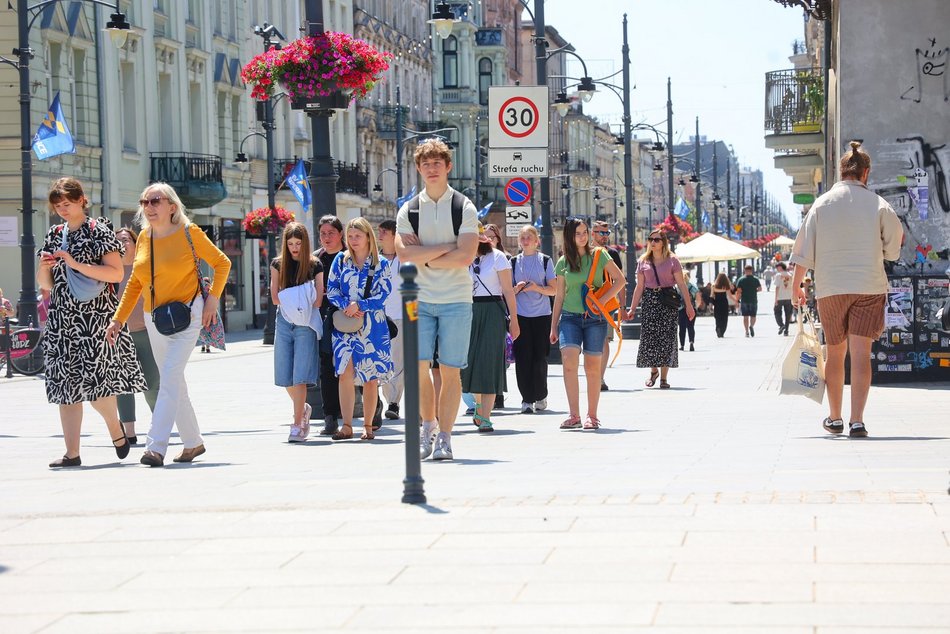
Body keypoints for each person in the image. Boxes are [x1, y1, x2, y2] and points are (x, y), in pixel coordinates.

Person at [107, 182, 231, 467]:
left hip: (188, 315)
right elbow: (136, 284)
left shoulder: (190, 233)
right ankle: (193, 443)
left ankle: (155, 447)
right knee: (175, 382)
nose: (148, 207)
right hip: (155, 318)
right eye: (144, 202)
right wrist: (118, 319)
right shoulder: (144, 239)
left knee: (168, 379)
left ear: (172, 206)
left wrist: (213, 300)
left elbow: (222, 263)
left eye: (155, 201)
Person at [790, 140, 902, 438]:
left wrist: (796, 285)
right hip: (868, 286)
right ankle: (857, 421)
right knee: (861, 355)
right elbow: (894, 247)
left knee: (835, 354)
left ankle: (835, 417)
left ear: (841, 172)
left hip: (831, 288)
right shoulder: (879, 203)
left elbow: (803, 249)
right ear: (866, 173)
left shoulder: (822, 204)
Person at [38, 178, 146, 468]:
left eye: (67, 204)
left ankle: (115, 427)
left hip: (94, 321)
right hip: (62, 321)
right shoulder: (54, 233)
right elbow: (45, 285)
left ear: (81, 200)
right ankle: (72, 453)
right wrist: (45, 267)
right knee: (66, 389)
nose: (62, 209)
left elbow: (115, 274)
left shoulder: (98, 231)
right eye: (58, 205)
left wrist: (73, 263)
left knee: (98, 391)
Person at [395, 138, 479, 461]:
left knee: (449, 370)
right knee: (417, 368)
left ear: (448, 167)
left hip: (457, 299)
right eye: (426, 164)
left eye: (437, 163)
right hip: (419, 297)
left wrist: (425, 256)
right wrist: (447, 248)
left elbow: (467, 255)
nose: (431, 169)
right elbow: (404, 253)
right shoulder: (409, 210)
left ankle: (445, 436)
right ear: (419, 168)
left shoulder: (463, 207)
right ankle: (427, 427)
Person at [551, 217, 623, 430]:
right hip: (570, 318)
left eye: (584, 232)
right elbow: (560, 296)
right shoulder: (563, 262)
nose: (582, 237)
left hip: (595, 319)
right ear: (569, 236)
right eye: (577, 233)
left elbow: (620, 281)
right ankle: (574, 415)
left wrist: (601, 301)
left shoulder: (599, 256)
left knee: (592, 367)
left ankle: (592, 415)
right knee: (569, 361)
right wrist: (553, 326)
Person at [326, 217, 393, 441]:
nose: (353, 240)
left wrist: (360, 305)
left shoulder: (380, 263)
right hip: (345, 324)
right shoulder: (340, 260)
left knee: (370, 376)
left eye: (358, 236)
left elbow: (384, 293)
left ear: (367, 237)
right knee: (344, 373)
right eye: (350, 236)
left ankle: (367, 425)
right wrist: (346, 305)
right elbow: (332, 288)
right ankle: (346, 426)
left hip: (372, 324)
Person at [463, 224, 519, 432]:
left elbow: (508, 291)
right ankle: (477, 404)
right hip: (467, 310)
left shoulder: (498, 257)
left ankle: (485, 416)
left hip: (492, 311)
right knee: (466, 362)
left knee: (488, 363)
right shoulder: (462, 258)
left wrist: (514, 320)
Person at [271, 222, 323, 443]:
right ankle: (303, 408)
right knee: (284, 374)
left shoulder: (314, 265)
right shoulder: (278, 264)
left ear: (305, 243)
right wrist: (298, 299)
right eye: (290, 243)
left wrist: (295, 300)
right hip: (283, 320)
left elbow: (319, 297)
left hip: (306, 322)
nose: (294, 248)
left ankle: (297, 423)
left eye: (298, 244)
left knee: (300, 374)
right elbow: (274, 297)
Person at [626, 229, 695, 389]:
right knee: (650, 339)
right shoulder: (643, 261)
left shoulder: (672, 261)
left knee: (667, 339)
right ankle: (653, 371)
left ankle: (663, 378)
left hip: (667, 301)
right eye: (651, 239)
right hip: (650, 301)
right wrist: (632, 308)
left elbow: (681, 284)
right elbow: (639, 287)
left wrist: (689, 306)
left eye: (656, 239)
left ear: (663, 242)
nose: (653, 242)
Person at [114, 227, 160, 445]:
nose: (122, 244)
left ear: (134, 243)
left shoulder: (143, 268)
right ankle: (129, 432)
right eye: (117, 241)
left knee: (153, 383)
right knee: (122, 386)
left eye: (125, 240)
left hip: (146, 333)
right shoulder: (110, 272)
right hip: (120, 336)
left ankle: (160, 425)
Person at [511, 225, 556, 414]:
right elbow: (507, 292)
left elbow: (554, 290)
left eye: (529, 237)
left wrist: (537, 288)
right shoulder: (512, 262)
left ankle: (540, 395)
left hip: (542, 315)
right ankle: (526, 399)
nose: (525, 240)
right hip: (520, 315)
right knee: (523, 359)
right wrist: (517, 289)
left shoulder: (545, 261)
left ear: (537, 240)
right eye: (522, 237)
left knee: (539, 358)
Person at [315, 215, 346, 435]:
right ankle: (330, 416)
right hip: (323, 315)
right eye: (323, 233)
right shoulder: (316, 259)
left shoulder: (349, 257)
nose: (327, 238)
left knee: (353, 363)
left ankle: (370, 408)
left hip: (348, 314)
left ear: (340, 234)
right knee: (327, 364)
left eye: (331, 233)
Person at [591, 220, 625, 391]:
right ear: (593, 234)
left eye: (607, 233)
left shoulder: (612, 254)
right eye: (601, 233)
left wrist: (623, 308)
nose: (605, 237)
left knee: (603, 339)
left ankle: (600, 378)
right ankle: (594, 374)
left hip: (606, 303)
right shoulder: (585, 253)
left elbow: (620, 281)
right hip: (587, 301)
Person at [378, 220, 403, 421]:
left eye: (384, 231)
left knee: (399, 361)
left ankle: (393, 401)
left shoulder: (406, 258)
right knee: (382, 359)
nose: (380, 234)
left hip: (402, 316)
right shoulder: (374, 258)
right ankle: (384, 398)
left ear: (395, 235)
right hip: (378, 317)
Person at [734, 265, 762, 337]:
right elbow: (760, 289)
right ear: (752, 270)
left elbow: (739, 291)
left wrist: (736, 301)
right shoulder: (756, 279)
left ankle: (746, 331)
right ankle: (751, 326)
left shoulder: (741, 280)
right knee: (753, 315)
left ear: (744, 270)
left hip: (744, 300)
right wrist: (754, 290)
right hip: (753, 300)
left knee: (745, 316)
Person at [678, 271, 700, 351]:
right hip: (691, 308)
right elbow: (698, 299)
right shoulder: (693, 287)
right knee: (691, 326)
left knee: (682, 328)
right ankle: (691, 342)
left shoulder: (678, 287)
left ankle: (682, 345)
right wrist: (696, 307)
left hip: (680, 309)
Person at [773, 262, 794, 336]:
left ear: (781, 267)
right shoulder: (791, 274)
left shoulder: (778, 275)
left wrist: (776, 299)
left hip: (780, 297)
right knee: (788, 314)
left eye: (777, 268)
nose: (777, 269)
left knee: (777, 312)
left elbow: (777, 287)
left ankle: (781, 325)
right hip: (789, 297)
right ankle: (786, 331)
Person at [711, 272, 734, 337]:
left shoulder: (713, 285)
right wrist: (736, 301)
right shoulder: (725, 286)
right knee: (724, 318)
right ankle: (722, 331)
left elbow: (711, 295)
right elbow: (730, 295)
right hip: (724, 302)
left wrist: (710, 305)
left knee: (717, 317)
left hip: (716, 303)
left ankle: (718, 327)